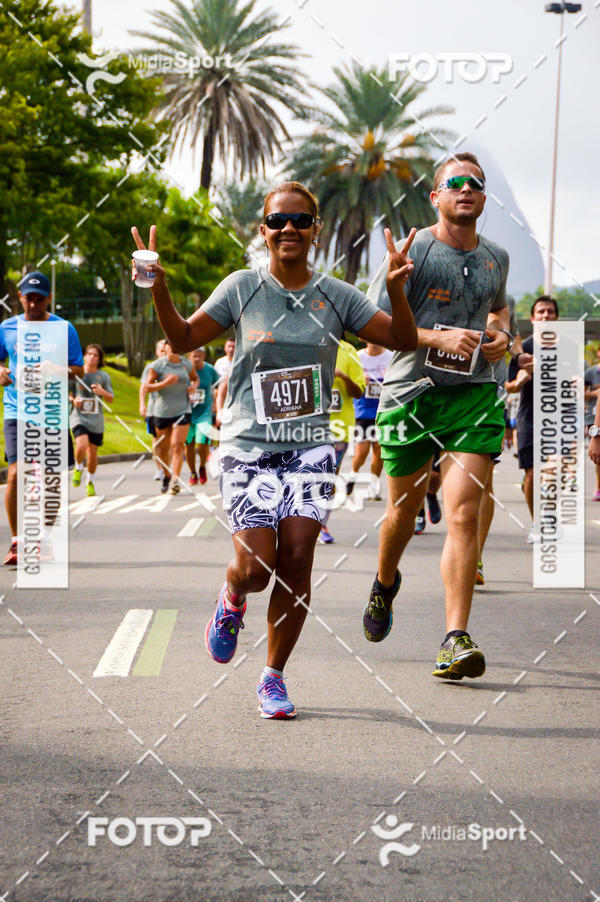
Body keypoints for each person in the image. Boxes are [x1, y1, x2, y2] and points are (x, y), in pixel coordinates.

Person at [132, 180, 418, 718]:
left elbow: (401, 339)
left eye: (300, 221)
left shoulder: (336, 295)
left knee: (299, 556)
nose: (289, 229)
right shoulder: (243, 287)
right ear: (263, 230)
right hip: (247, 445)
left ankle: (273, 676)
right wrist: (158, 288)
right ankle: (232, 596)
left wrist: (397, 291)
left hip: (308, 445)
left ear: (316, 230)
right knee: (257, 567)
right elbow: (187, 337)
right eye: (278, 221)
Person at [363, 152, 523, 681]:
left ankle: (455, 638)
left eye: (475, 184)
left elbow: (499, 310)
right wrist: (434, 335)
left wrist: (499, 335)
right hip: (412, 394)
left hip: (474, 395)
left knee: (460, 514)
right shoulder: (413, 250)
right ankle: (386, 582)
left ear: (482, 197)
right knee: (402, 516)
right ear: (435, 197)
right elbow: (373, 326)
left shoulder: (497, 256)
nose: (466, 189)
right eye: (454, 183)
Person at [0, 271, 83, 566]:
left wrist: (57, 369)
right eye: (28, 298)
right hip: (17, 410)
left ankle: (43, 538)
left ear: (49, 298)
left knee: (50, 481)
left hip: (52, 413)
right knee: (14, 474)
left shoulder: (64, 328)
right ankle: (17, 541)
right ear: (20, 298)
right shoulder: (7, 328)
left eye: (39, 299)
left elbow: (78, 369)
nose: (33, 304)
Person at [475, 294, 530, 584]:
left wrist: (519, 355)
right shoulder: (434, 272)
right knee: (433, 481)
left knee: (483, 480)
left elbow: (514, 337)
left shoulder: (504, 295)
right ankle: (428, 499)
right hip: (434, 392)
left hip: (487, 395)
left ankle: (475, 558)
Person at [507, 295, 558, 542]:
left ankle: (550, 516)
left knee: (553, 472)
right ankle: (537, 522)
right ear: (533, 318)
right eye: (541, 312)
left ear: (556, 317)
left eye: (550, 312)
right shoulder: (523, 348)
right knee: (531, 473)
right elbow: (507, 386)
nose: (546, 315)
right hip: (529, 418)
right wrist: (519, 381)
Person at [319, 339, 365, 543]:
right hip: (307, 426)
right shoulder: (307, 344)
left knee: (329, 479)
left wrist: (343, 377)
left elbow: (359, 391)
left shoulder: (349, 351)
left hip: (338, 429)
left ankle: (321, 524)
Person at [145, 340, 197, 495]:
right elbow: (147, 387)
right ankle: (167, 475)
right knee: (163, 448)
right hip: (162, 411)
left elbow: (195, 378)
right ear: (166, 348)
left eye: (176, 346)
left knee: (177, 445)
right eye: (170, 346)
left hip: (183, 409)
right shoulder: (158, 365)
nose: (173, 349)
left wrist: (192, 387)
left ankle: (175, 480)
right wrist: (165, 383)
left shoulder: (186, 365)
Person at [346, 343, 392, 500]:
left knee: (379, 452)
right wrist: (360, 380)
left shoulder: (391, 357)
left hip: (382, 410)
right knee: (362, 452)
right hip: (363, 410)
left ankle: (374, 486)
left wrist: (388, 379)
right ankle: (353, 475)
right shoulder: (358, 357)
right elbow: (350, 380)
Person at [70, 343, 114, 496]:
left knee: (93, 454)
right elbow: (66, 391)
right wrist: (73, 399)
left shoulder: (103, 376)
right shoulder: (76, 373)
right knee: (81, 445)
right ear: (84, 356)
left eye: (95, 355)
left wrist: (102, 392)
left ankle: (89, 481)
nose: (92, 357)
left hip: (96, 420)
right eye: (89, 354)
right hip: (79, 417)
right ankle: (77, 467)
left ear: (99, 359)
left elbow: (111, 399)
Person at [185, 347, 219, 485]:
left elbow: (218, 386)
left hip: (204, 413)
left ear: (204, 356)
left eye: (199, 356)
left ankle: (202, 467)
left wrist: (216, 403)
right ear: (189, 356)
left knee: (201, 443)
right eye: (194, 356)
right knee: (189, 444)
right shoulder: (184, 369)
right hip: (186, 412)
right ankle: (193, 472)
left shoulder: (210, 370)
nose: (197, 358)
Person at [140, 338, 167, 481]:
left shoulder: (176, 365)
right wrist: (142, 404)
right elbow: (143, 387)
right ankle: (159, 469)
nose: (164, 353)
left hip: (172, 410)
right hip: (154, 410)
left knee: (169, 441)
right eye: (161, 350)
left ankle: (169, 469)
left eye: (166, 349)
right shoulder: (150, 367)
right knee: (156, 440)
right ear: (157, 352)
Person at [584, 346, 600, 500]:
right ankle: (598, 486)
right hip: (593, 418)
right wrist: (595, 393)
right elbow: (580, 392)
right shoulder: (591, 372)